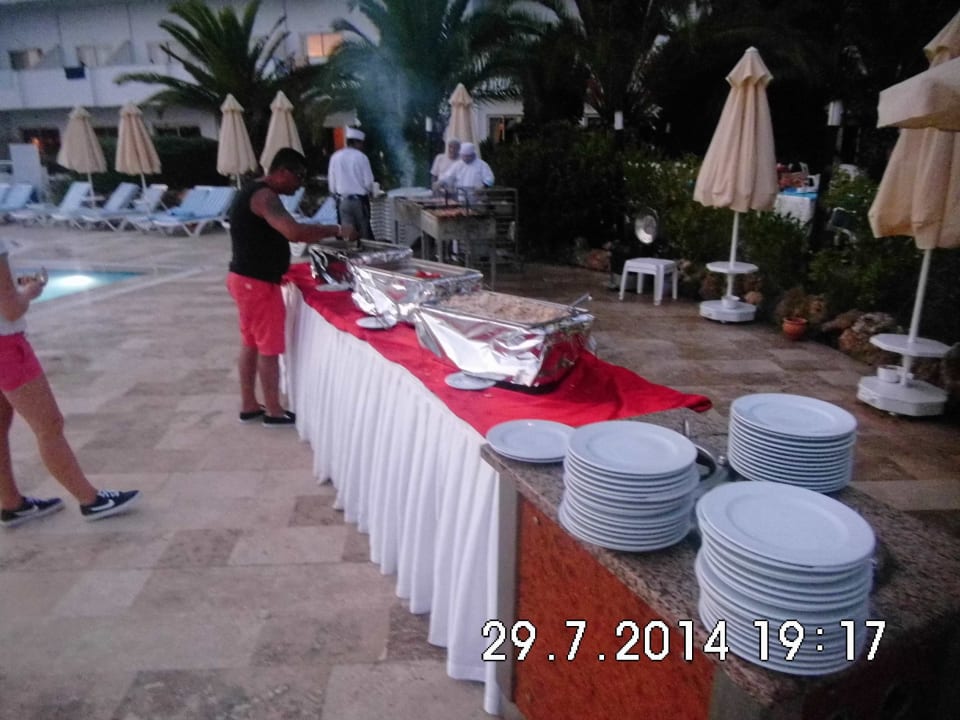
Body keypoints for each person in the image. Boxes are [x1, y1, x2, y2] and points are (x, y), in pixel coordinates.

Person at [0, 248, 140, 528]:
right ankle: (90, 499)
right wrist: (29, 292)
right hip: (6, 348)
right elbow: (11, 309)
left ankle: (11, 503)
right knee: (48, 425)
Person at [227, 147, 358, 428]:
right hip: (258, 283)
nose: (300, 184)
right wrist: (336, 230)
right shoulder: (265, 197)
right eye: (298, 177)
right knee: (268, 348)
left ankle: (249, 405)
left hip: (244, 279)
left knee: (250, 343)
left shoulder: (253, 190)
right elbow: (294, 232)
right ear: (282, 172)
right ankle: (274, 411)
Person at [327, 127, 376, 241]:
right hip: (359, 201)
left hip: (342, 202)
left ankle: (350, 252)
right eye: (361, 143)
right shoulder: (362, 157)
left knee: (348, 234)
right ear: (357, 142)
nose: (362, 146)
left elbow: (332, 183)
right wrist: (370, 191)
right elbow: (368, 182)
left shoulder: (335, 157)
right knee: (364, 234)